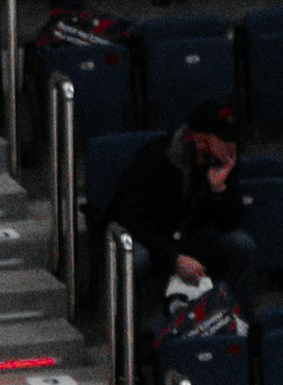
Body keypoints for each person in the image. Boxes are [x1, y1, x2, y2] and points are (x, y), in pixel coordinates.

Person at [101, 108, 251, 289]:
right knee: (135, 258)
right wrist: (174, 258)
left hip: (190, 234)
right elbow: (132, 219)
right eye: (224, 140)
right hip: (151, 237)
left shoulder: (224, 160)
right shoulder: (156, 157)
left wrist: (219, 189)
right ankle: (126, 316)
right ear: (200, 140)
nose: (232, 148)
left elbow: (232, 221)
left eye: (234, 141)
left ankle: (239, 314)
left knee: (241, 245)